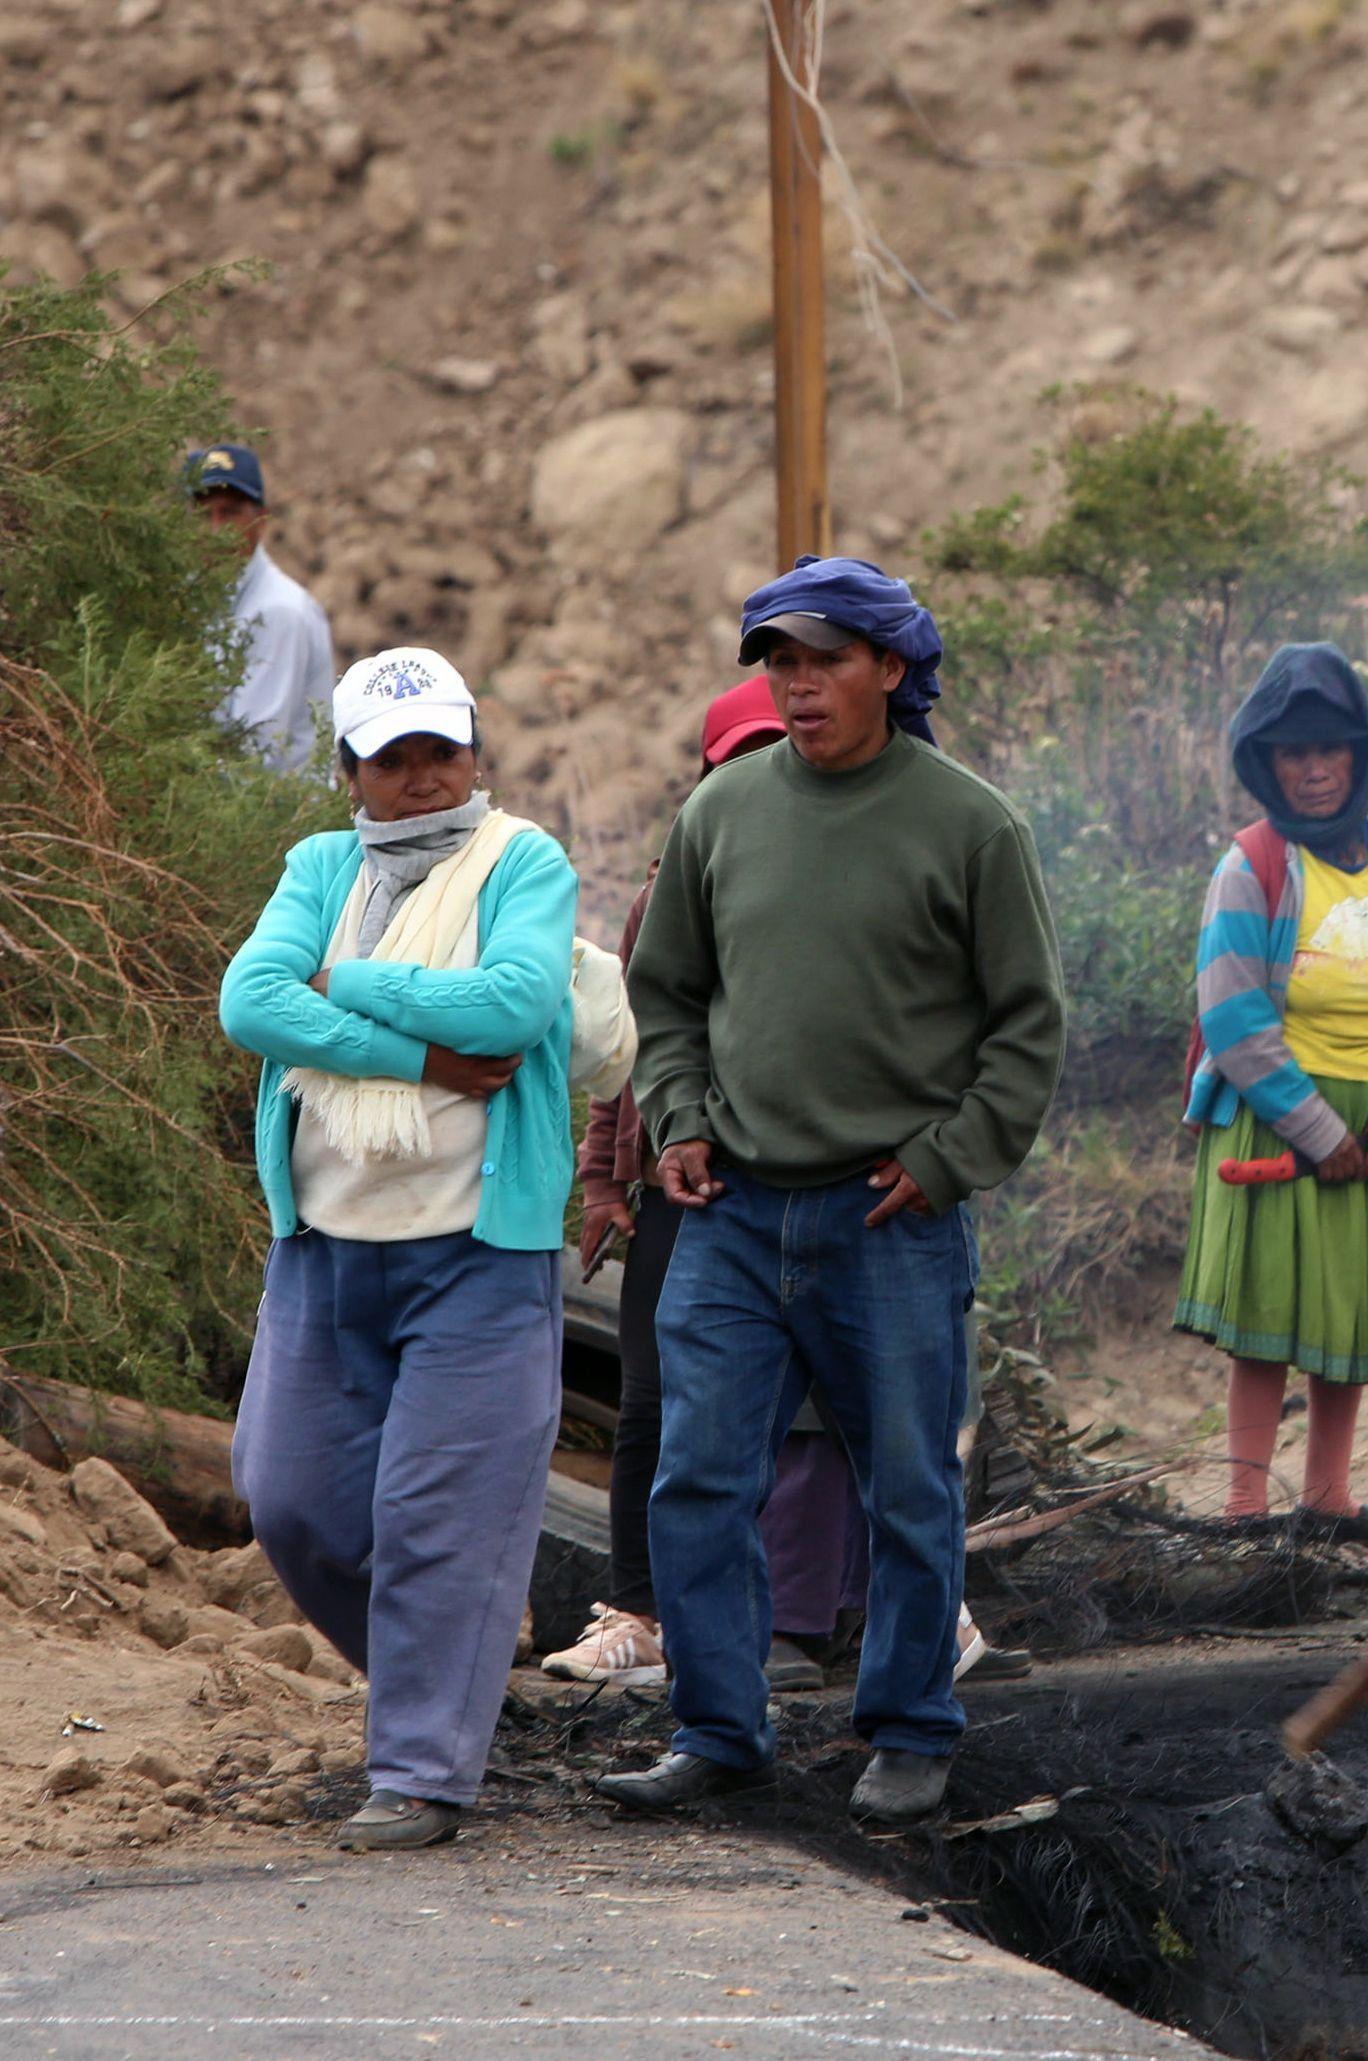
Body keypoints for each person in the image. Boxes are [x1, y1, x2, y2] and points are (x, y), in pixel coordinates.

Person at [596, 556, 1065, 1828]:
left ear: (890, 671)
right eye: (779, 666)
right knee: (696, 1477)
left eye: (823, 662)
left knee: (908, 1486)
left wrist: (941, 1163)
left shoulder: (971, 827)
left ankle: (911, 1729)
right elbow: (669, 994)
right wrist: (680, 1121)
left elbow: (1028, 1030)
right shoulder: (725, 812)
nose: (797, 687)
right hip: (733, 1214)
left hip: (887, 1222)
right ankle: (717, 1727)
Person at [540, 677, 1026, 1694]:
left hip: (851, 1196)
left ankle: (879, 1656)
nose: (766, 769)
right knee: (673, 1425)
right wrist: (614, 1171)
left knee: (876, 1437)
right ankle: (670, 1648)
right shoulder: (692, 865)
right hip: (698, 1187)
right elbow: (639, 1035)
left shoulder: (933, 835)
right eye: (739, 754)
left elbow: (1011, 1025)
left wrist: (944, 1154)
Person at [219, 647, 580, 1851]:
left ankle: (422, 1771)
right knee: (291, 1498)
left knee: (441, 1519)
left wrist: (344, 980)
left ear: (474, 750)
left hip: (476, 1250)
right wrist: (417, 1054)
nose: (422, 779)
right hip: (324, 1245)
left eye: (441, 750)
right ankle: (458, 1685)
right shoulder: (319, 865)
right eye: (393, 759)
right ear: (350, 774)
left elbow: (516, 1006)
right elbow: (250, 1003)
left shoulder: (520, 860)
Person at [1176, 642, 1368, 1546]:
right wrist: (1317, 1127)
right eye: (1292, 753)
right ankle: (1246, 1508)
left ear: (1361, 753)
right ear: (1265, 762)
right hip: (1276, 1118)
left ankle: (1329, 1499)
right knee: (1267, 1317)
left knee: (1348, 1302)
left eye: (1330, 749)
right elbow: (1233, 1015)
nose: (1313, 770)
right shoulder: (1249, 866)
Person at [188, 442, 335, 773]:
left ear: (261, 520)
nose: (215, 528)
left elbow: (255, 755)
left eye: (229, 512)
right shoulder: (202, 597)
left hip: (279, 817)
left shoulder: (278, 612)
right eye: (203, 514)